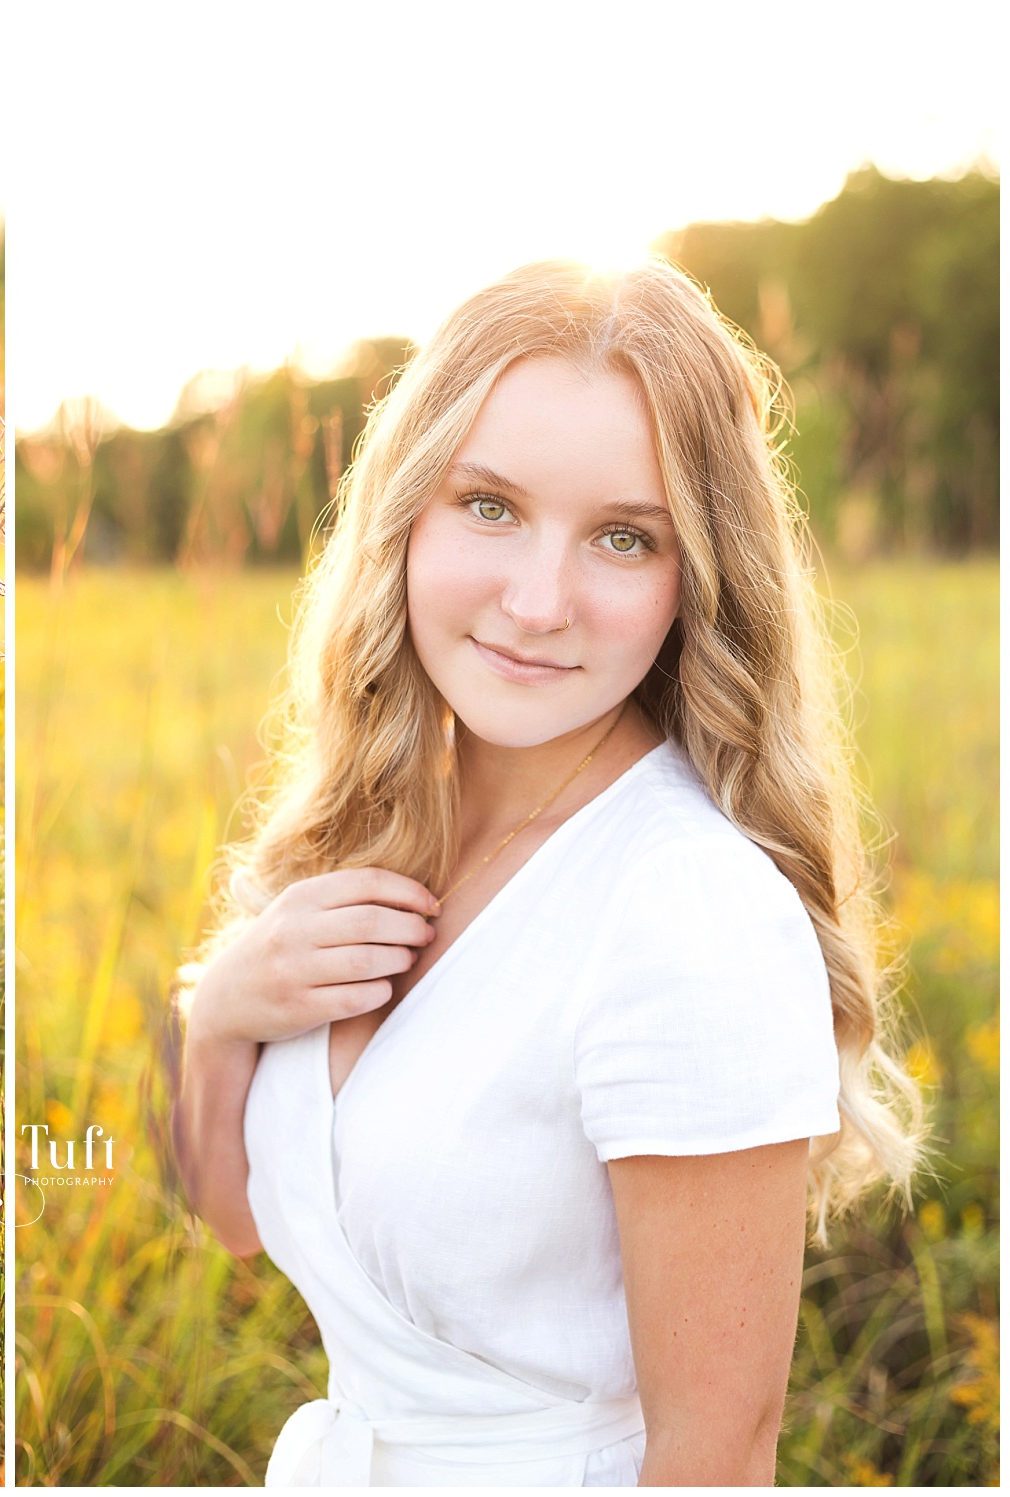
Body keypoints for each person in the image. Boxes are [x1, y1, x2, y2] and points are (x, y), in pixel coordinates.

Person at [171, 261, 922, 1485]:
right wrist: (216, 1018)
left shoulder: (684, 911)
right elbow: (236, 1221)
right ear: (404, 513)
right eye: (488, 506)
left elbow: (716, 1451)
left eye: (623, 538)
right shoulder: (377, 829)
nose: (535, 602)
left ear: (695, 580)